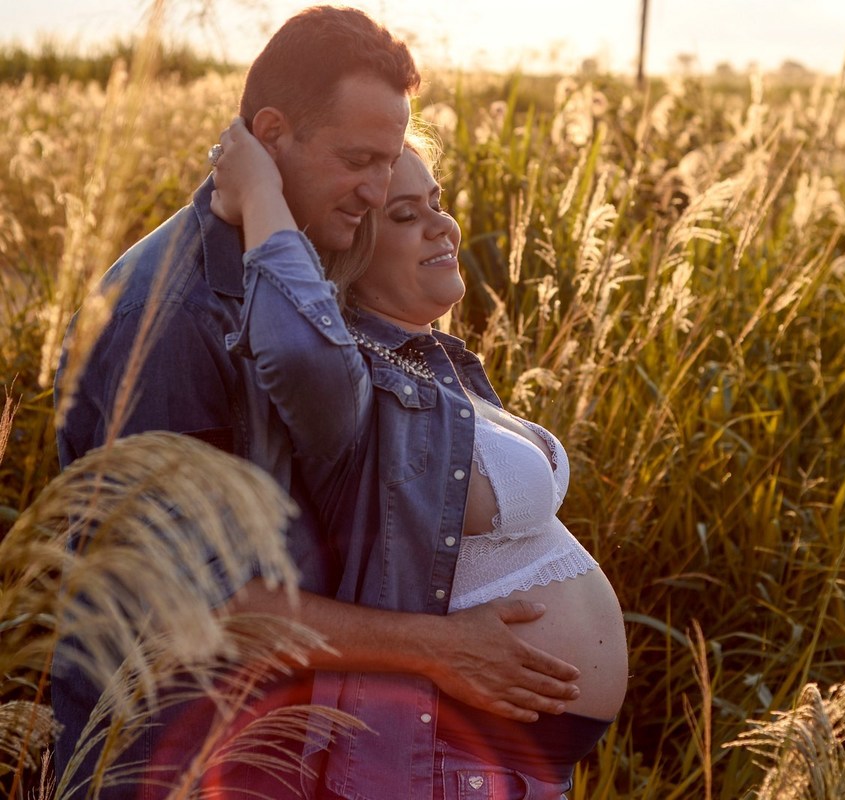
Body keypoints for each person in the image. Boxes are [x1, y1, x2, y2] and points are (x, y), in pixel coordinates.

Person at [53, 6, 579, 799]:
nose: (376, 189)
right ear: (270, 134)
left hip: (267, 743)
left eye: (390, 162)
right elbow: (181, 600)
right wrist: (432, 648)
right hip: (168, 756)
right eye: (359, 160)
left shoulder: (289, 268)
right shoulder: (172, 317)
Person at [209, 114, 629, 798]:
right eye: (406, 216)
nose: (444, 226)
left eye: (437, 202)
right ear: (347, 247)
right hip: (442, 758)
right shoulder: (353, 388)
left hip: (509, 763)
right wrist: (262, 195)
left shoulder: (434, 364)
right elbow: (296, 352)